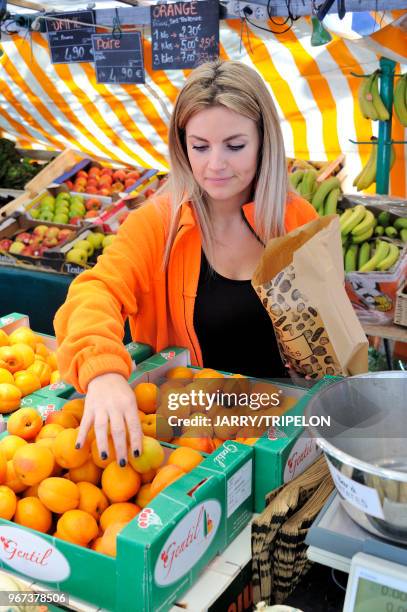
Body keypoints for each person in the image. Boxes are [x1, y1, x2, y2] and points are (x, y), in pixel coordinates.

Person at [54, 59, 318, 466]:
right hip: (189, 441)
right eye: (200, 147)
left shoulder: (294, 218)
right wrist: (102, 371)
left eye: (235, 145)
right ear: (182, 146)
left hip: (281, 425)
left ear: (265, 141)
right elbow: (95, 290)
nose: (215, 164)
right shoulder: (158, 224)